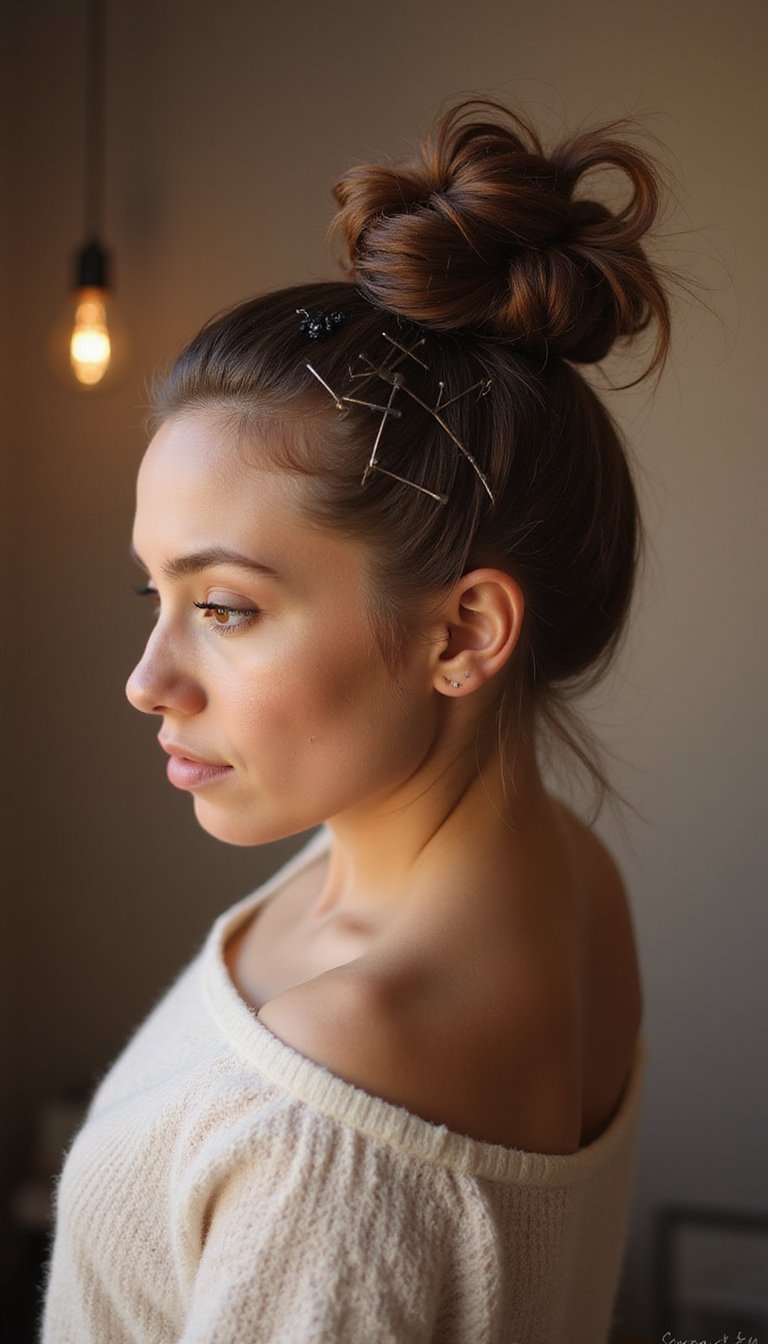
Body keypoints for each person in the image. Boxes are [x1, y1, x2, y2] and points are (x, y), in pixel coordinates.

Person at [41, 97, 673, 1342]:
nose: (146, 678)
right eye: (153, 593)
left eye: (222, 607)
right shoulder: (569, 878)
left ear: (463, 635)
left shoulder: (329, 1120)